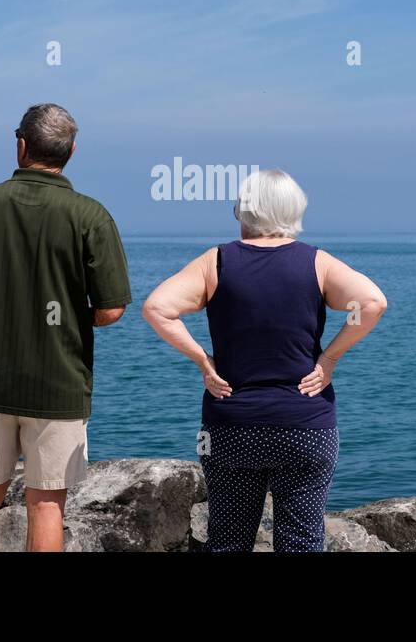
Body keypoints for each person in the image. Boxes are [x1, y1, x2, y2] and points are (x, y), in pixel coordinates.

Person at [142, 169, 387, 551]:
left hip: (231, 425)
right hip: (305, 425)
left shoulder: (217, 262)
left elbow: (157, 308)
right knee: (302, 542)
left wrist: (203, 361)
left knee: (227, 541)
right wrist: (329, 359)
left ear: (245, 211)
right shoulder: (316, 263)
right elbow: (372, 303)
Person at [0, 103, 131, 551]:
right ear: (71, 151)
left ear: (21, 144)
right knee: (46, 505)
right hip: (58, 384)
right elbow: (112, 308)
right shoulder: (91, 215)